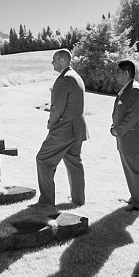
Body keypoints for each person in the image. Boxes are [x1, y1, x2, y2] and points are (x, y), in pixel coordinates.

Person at [35, 49, 87, 206]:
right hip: (77, 129)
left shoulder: (63, 80)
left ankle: (46, 201)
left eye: (54, 60)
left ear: (63, 60)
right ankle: (79, 200)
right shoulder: (76, 77)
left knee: (43, 160)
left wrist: (50, 124)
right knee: (74, 162)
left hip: (64, 129)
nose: (52, 63)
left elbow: (57, 108)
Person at [111, 60, 139, 211]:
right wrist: (115, 126)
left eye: (118, 72)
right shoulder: (127, 88)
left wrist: (118, 130)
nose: (116, 75)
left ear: (126, 73)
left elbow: (132, 117)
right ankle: (135, 197)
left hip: (132, 138)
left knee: (136, 170)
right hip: (126, 138)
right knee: (130, 170)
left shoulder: (135, 90)